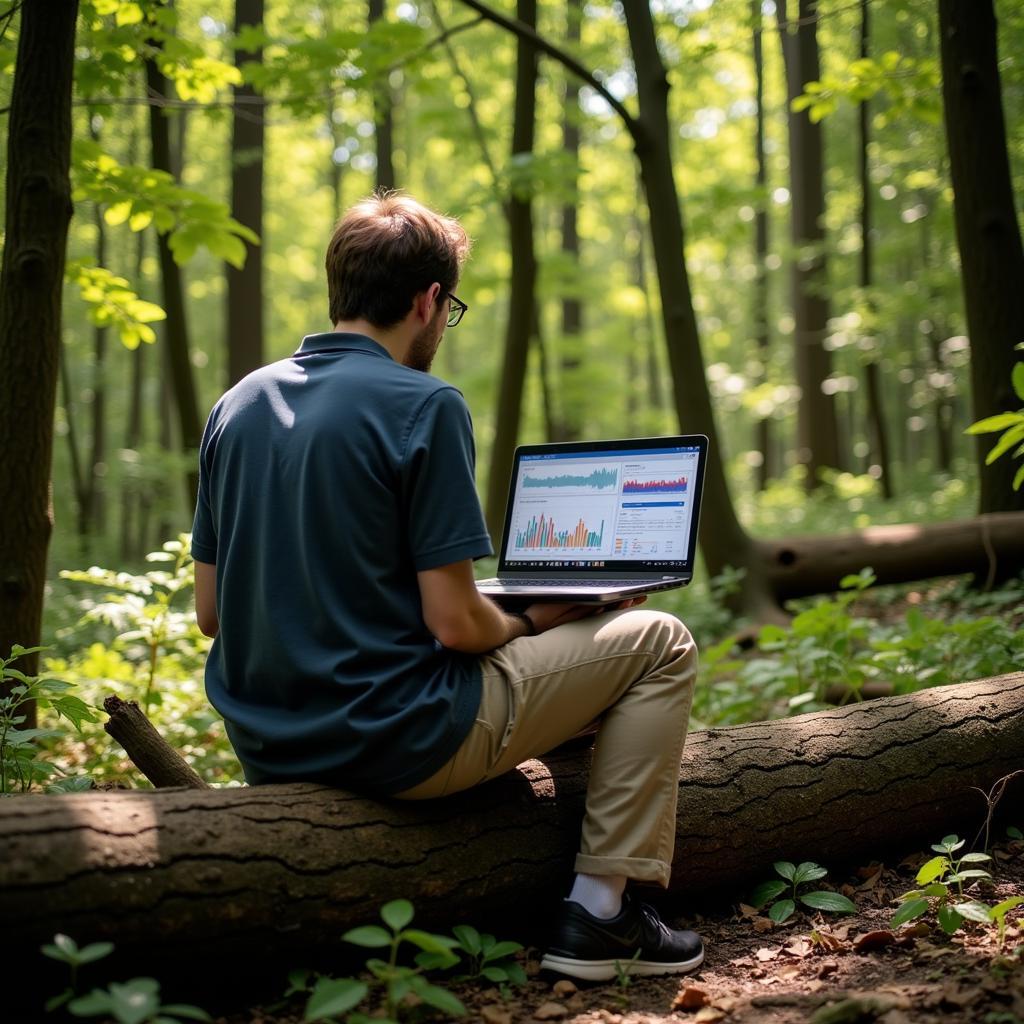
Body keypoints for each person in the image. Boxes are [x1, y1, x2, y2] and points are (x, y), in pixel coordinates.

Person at [191, 192, 703, 982]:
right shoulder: (422, 403)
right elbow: (459, 629)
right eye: (449, 308)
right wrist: (534, 614)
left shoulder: (238, 403)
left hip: (272, 747)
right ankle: (602, 915)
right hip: (403, 742)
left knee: (555, 646)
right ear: (429, 300)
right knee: (661, 640)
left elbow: (212, 615)